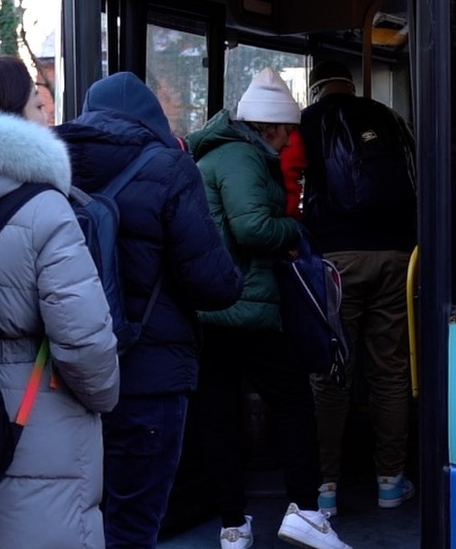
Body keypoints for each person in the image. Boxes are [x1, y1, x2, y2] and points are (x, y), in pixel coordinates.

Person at [0, 55, 120, 549]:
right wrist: (105, 396)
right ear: (8, 115)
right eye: (37, 104)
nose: (47, 115)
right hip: (32, 438)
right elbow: (84, 345)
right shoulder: (43, 208)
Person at [53, 72, 244, 548]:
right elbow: (214, 285)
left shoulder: (51, 166)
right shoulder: (169, 168)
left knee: (75, 518)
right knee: (135, 521)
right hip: (149, 377)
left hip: (68, 376)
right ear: (152, 116)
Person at [186, 67, 351, 549]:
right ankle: (304, 510)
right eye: (287, 132)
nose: (288, 142)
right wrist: (294, 236)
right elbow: (253, 229)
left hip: (212, 307)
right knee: (294, 402)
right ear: (272, 127)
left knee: (219, 416)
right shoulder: (242, 157)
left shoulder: (221, 154)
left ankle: (233, 526)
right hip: (245, 306)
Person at [298, 60, 417, 515]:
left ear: (316, 90)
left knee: (332, 370)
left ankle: (325, 486)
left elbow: (290, 187)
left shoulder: (309, 122)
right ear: (350, 85)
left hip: (335, 262)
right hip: (398, 258)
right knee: (389, 369)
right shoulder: (389, 119)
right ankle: (390, 480)